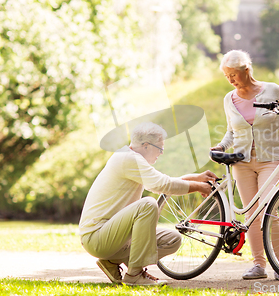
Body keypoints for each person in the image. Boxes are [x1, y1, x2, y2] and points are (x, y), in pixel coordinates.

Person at [79, 122, 216, 286]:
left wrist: (196, 178)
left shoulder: (131, 158)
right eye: (160, 148)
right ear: (145, 146)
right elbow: (162, 184)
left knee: (172, 239)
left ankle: (112, 261)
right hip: (97, 237)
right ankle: (134, 275)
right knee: (148, 204)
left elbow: (164, 181)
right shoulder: (128, 159)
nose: (161, 153)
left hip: (113, 236)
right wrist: (198, 187)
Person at [211, 50, 279, 281]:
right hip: (241, 161)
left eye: (234, 74)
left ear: (247, 70)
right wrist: (221, 146)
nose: (230, 80)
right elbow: (231, 131)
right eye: (227, 76)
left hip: (271, 159)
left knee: (268, 210)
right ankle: (258, 265)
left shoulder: (272, 90)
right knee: (251, 216)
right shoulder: (229, 98)